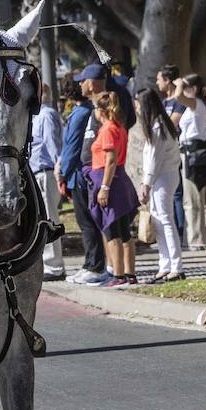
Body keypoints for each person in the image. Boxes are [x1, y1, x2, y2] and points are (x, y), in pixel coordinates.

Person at [58, 79, 107, 284]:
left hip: (78, 175)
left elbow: (72, 146)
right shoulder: (84, 111)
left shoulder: (79, 114)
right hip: (80, 173)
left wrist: (62, 172)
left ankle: (95, 265)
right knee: (86, 222)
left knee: (87, 223)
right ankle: (90, 263)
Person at [89, 91, 139, 286]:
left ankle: (118, 275)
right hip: (120, 180)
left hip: (111, 181)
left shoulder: (108, 129)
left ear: (101, 110)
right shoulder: (119, 126)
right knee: (124, 232)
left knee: (112, 230)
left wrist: (104, 187)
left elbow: (110, 159)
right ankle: (129, 273)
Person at [136, 89, 184, 283]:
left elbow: (154, 160)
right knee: (158, 221)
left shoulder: (158, 127)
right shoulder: (157, 125)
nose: (137, 108)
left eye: (138, 104)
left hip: (163, 178)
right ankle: (165, 264)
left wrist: (146, 183)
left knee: (165, 220)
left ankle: (176, 266)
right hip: (160, 178)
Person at [173, 74, 206, 251]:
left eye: (186, 87)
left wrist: (179, 84)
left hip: (193, 153)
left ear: (193, 89)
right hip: (195, 152)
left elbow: (178, 96)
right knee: (205, 197)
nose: (182, 91)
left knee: (192, 200)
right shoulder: (196, 106)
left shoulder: (196, 104)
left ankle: (196, 239)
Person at [29, 82, 65, 281]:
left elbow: (53, 143)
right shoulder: (35, 116)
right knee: (43, 220)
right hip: (36, 172)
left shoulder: (47, 114)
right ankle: (48, 262)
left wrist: (58, 168)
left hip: (46, 172)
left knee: (50, 219)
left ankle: (55, 265)